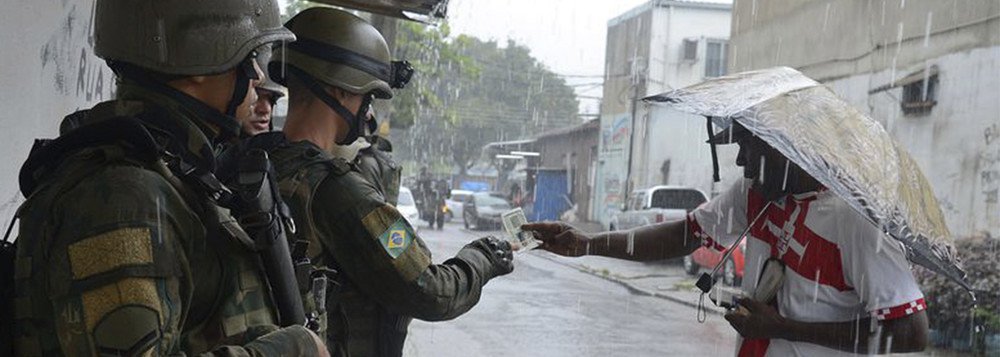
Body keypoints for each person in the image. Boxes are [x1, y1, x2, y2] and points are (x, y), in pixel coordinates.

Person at [11, 0, 328, 355]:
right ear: (201, 59)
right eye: (249, 56)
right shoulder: (124, 198)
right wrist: (295, 348)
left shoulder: (175, 174)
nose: (256, 76)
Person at [525, 123, 929, 356]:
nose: (740, 161)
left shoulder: (854, 221)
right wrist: (587, 244)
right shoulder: (755, 191)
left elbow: (911, 333)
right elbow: (685, 234)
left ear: (788, 151)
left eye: (748, 148)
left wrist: (784, 328)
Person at [265, 8, 515, 357]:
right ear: (339, 90)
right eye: (366, 96)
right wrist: (484, 257)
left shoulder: (256, 164)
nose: (368, 113)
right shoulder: (339, 191)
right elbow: (431, 291)